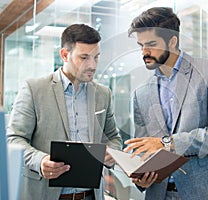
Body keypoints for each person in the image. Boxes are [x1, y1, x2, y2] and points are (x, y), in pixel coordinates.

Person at [124, 7, 208, 200]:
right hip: (160, 194)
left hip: (206, 192)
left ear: (172, 41)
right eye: (141, 45)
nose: (144, 52)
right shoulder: (141, 93)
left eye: (151, 44)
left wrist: (167, 143)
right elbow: (145, 150)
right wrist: (142, 178)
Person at [7, 24, 122, 200]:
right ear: (64, 55)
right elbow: (13, 139)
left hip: (91, 195)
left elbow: (113, 137)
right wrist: (40, 161)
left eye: (96, 57)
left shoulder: (103, 94)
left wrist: (112, 152)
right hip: (45, 194)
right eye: (84, 57)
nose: (92, 65)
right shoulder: (34, 89)